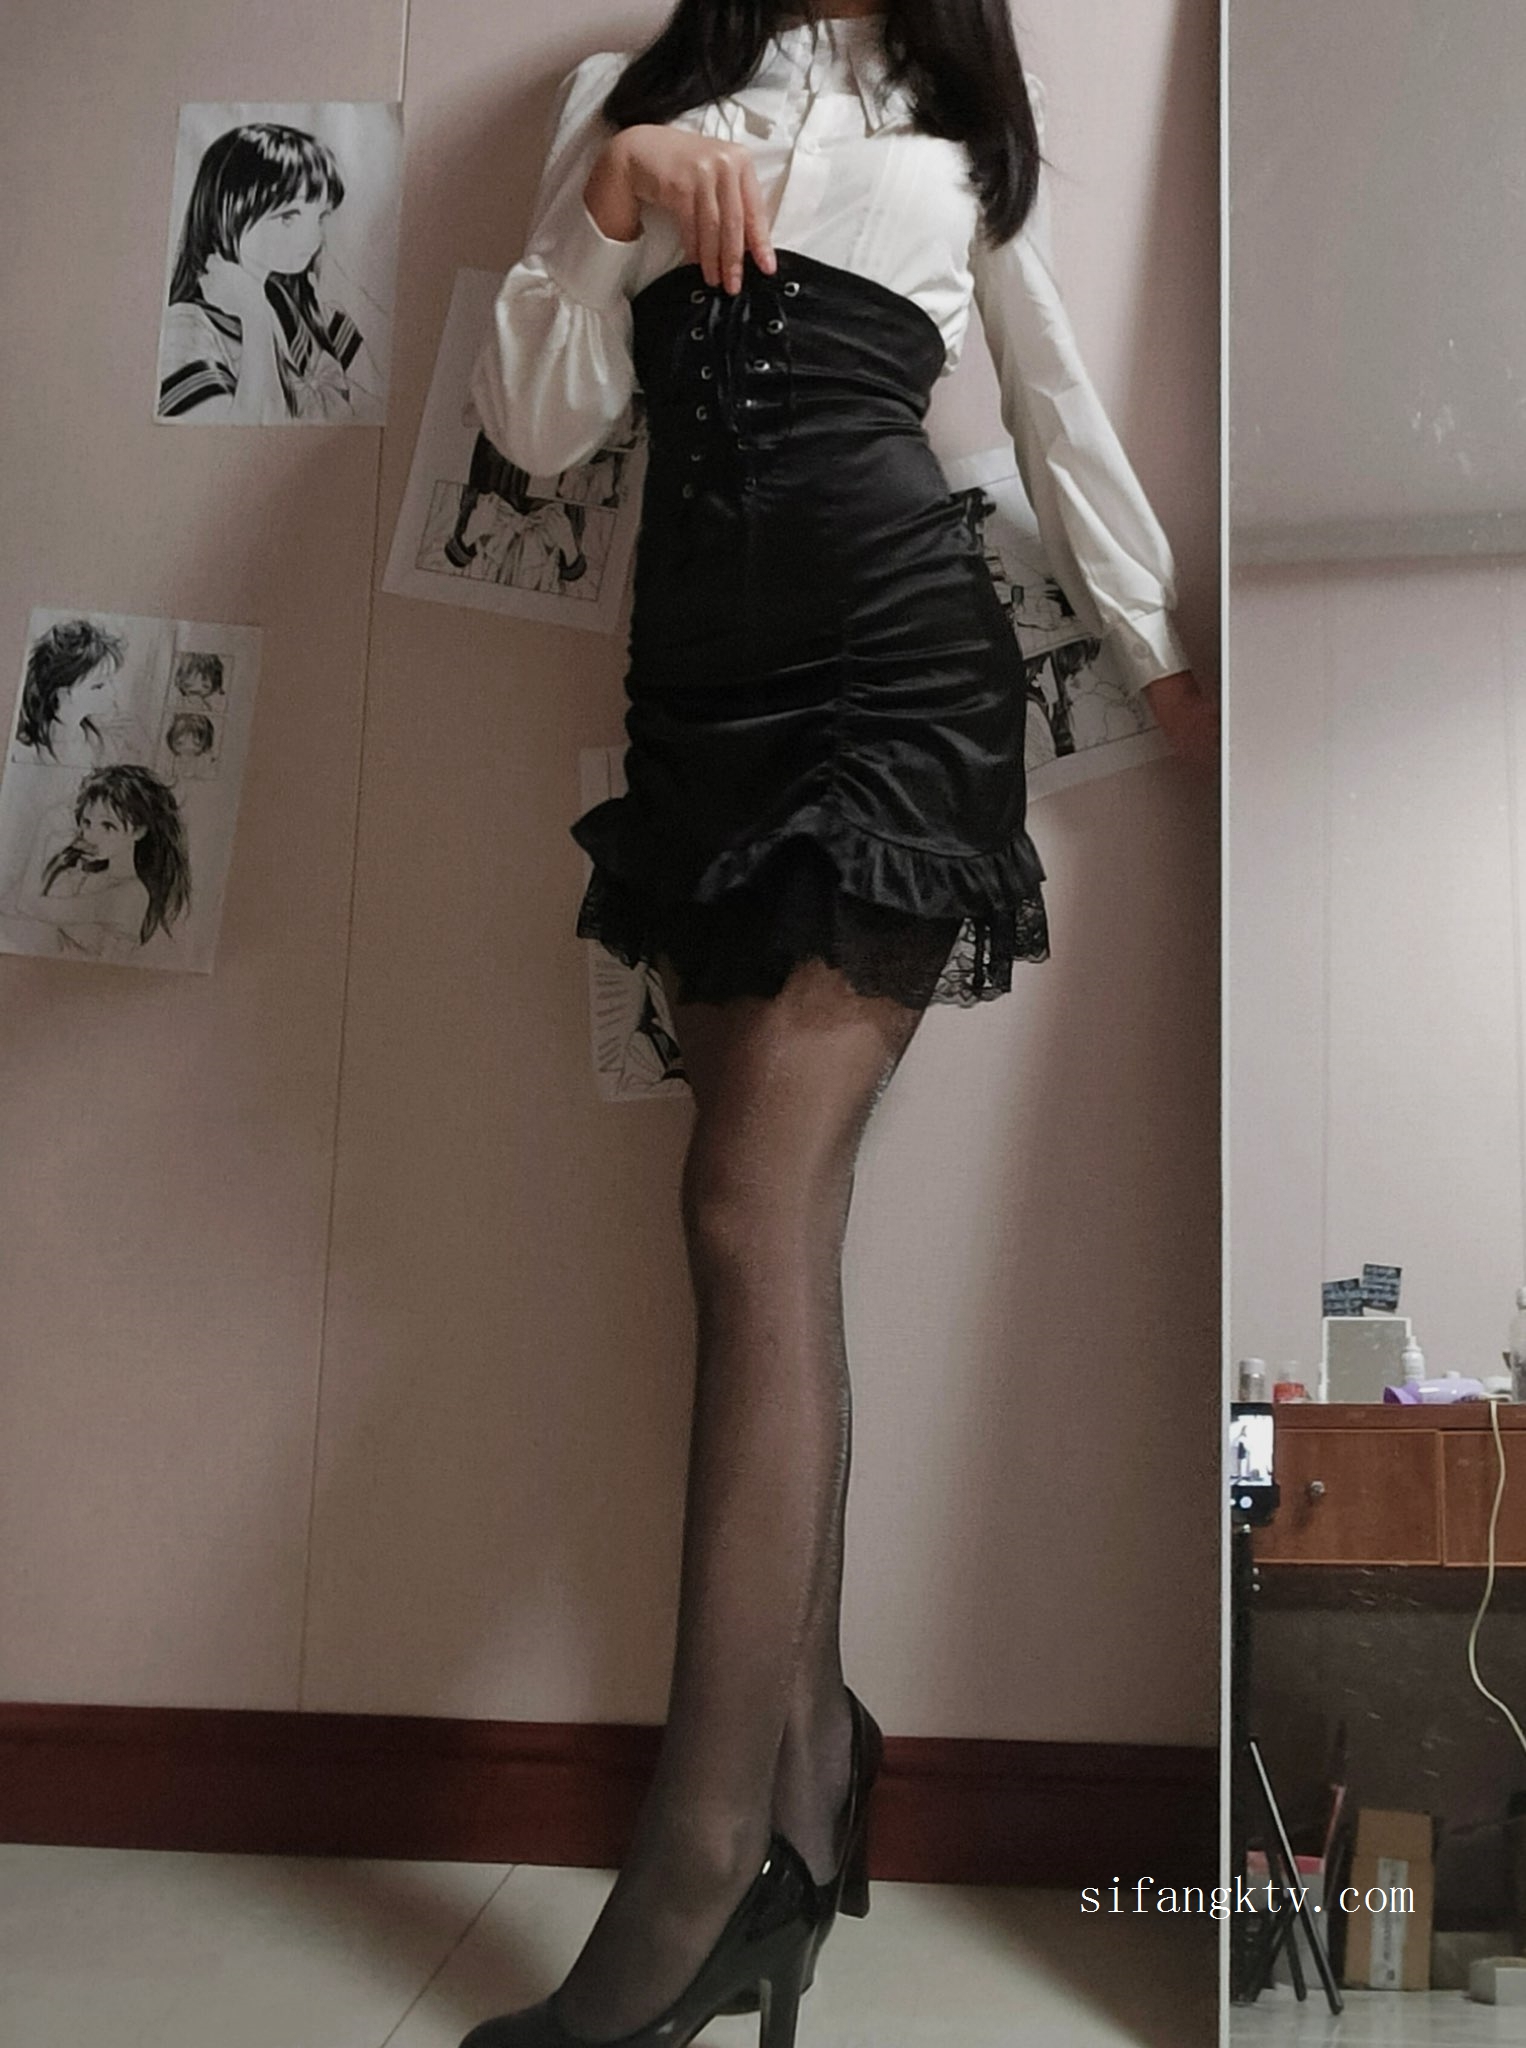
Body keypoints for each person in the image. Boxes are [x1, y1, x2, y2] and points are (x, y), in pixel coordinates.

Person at [463, 6, 1217, 2045]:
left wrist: (1158, 652)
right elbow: (535, 424)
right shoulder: (624, 105)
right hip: (698, 701)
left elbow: (1050, 405)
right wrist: (607, 195)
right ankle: (804, 1781)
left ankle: (703, 1860)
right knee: (767, 1240)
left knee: (740, 1212)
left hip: (892, 669)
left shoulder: (957, 132)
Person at [158, 122, 382, 423]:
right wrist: (255, 318)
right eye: (288, 217)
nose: (312, 237)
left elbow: (388, 414)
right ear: (228, 209)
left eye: (320, 216)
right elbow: (237, 436)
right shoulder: (186, 330)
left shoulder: (326, 321)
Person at [0, 763, 192, 961]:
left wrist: (44, 832)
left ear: (138, 831)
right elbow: (12, 906)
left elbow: (28, 905)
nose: (90, 835)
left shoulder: (131, 893)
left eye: (107, 826)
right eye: (87, 823)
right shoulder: (87, 875)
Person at [13, 618, 138, 768]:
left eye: (111, 680)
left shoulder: (97, 740)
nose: (113, 691)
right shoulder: (26, 752)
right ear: (63, 694)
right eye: (98, 686)